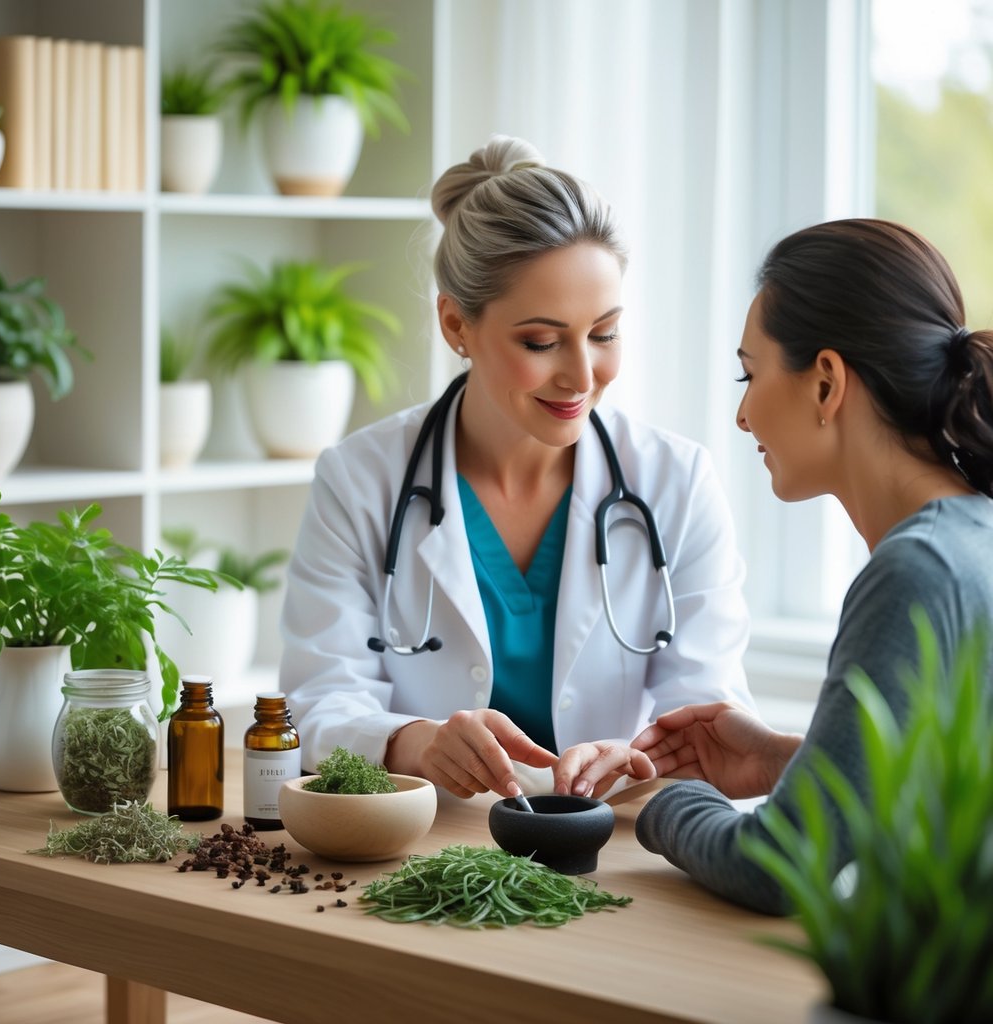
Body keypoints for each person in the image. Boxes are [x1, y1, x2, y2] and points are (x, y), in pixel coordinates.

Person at [279, 135, 754, 801]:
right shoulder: (360, 480)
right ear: (455, 325)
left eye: (605, 333)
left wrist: (641, 756)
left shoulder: (676, 482)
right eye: (541, 341)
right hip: (427, 846)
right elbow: (317, 700)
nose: (583, 376)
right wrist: (413, 740)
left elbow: (710, 707)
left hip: (614, 845)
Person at [631, 218, 993, 914]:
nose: (741, 415)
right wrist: (786, 763)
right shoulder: (972, 534)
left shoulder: (916, 570)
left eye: (751, 372)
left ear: (826, 383)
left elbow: (780, 865)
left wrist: (662, 796)